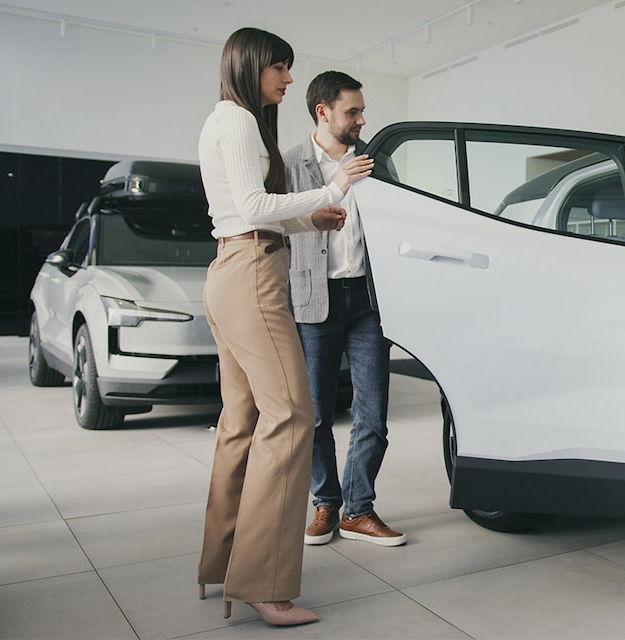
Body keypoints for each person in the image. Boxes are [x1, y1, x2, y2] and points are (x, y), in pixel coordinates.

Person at [195, 29, 373, 627]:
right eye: (279, 68)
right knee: (293, 417)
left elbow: (241, 214)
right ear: (251, 66)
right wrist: (333, 187)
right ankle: (262, 583)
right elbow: (252, 207)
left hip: (231, 267)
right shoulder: (241, 121)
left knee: (240, 421)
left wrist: (307, 220)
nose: (288, 79)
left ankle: (221, 566)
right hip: (252, 277)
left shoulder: (222, 120)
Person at [284, 71, 405, 547]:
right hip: (314, 299)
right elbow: (276, 231)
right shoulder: (290, 165)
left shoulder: (375, 162)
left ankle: (358, 509)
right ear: (323, 112)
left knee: (372, 414)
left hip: (368, 302)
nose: (361, 120)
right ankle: (325, 503)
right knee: (315, 417)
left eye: (361, 111)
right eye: (352, 111)